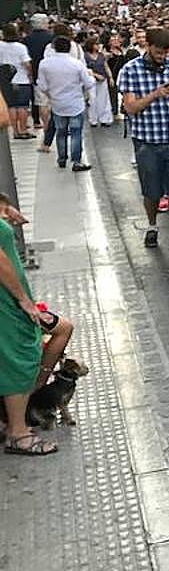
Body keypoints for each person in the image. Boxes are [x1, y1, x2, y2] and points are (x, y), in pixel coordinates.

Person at [119, 27, 169, 256]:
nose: (162, 56)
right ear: (148, 46)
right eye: (158, 52)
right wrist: (154, 94)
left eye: (165, 52)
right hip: (146, 142)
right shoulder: (130, 70)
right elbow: (130, 108)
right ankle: (152, 226)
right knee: (151, 191)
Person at [0, 193, 57, 456]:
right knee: (19, 357)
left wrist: (3, 207)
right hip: (6, 298)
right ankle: (19, 434)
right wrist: (23, 300)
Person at [36, 36, 93, 172]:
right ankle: (76, 161)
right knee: (76, 132)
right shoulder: (77, 64)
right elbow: (88, 83)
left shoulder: (44, 64)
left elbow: (42, 86)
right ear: (69, 48)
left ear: (54, 47)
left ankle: (62, 158)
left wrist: (51, 95)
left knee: (60, 132)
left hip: (57, 103)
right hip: (75, 103)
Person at [0, 24, 34, 138]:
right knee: (22, 106)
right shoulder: (21, 47)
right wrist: (30, 75)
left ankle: (15, 131)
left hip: (6, 81)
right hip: (22, 79)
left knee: (11, 106)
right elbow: (27, 63)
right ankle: (23, 130)